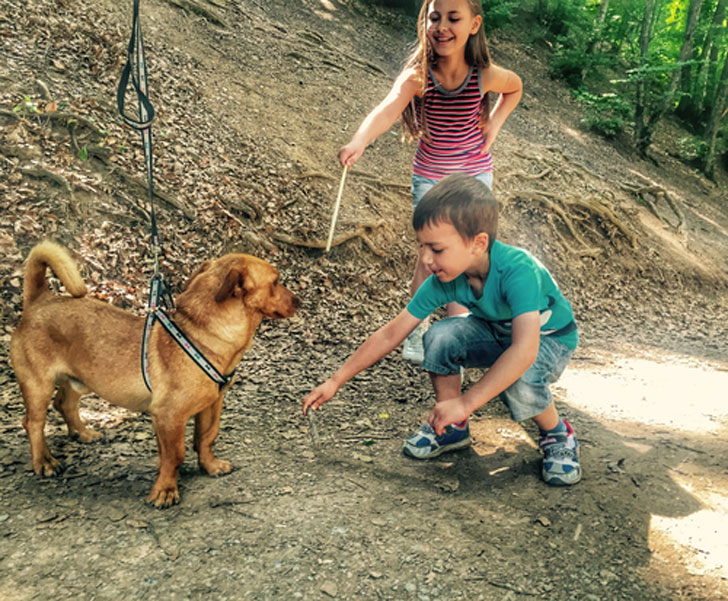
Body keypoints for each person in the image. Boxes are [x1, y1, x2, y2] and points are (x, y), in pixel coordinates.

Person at [303, 174, 581, 486]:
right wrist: (335, 380)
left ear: (477, 243)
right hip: (495, 331)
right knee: (438, 336)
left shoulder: (517, 270)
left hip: (549, 340)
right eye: (421, 247)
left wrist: (467, 401)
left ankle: (557, 433)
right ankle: (453, 426)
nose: (425, 259)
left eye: (436, 249)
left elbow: (525, 350)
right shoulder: (445, 279)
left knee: (520, 378)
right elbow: (391, 333)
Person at [338, 0, 523, 364]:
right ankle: (416, 328)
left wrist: (495, 124)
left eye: (454, 18)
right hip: (432, 179)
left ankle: (461, 331)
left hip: (473, 177)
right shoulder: (417, 77)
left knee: (469, 254)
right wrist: (359, 140)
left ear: (474, 25)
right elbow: (388, 108)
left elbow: (515, 88)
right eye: (434, 17)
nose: (442, 26)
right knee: (431, 257)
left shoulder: (483, 74)